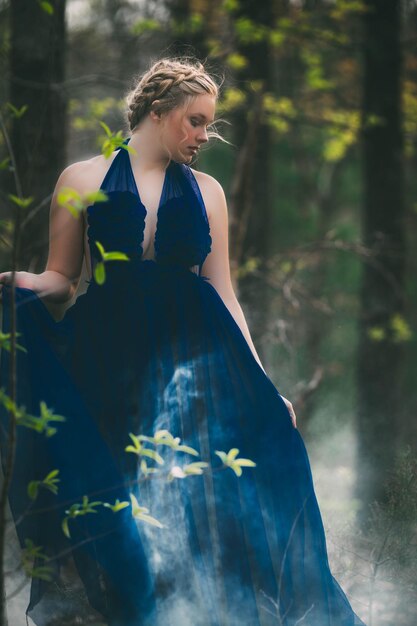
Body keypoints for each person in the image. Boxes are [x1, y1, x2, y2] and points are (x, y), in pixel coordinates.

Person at [0, 57, 366, 626]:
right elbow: (60, 279)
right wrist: (13, 285)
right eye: (196, 121)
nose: (204, 136)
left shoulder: (208, 192)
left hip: (198, 363)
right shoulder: (80, 179)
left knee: (214, 498)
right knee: (122, 497)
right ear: (158, 111)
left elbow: (222, 290)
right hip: (109, 361)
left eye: (210, 124)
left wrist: (265, 384)